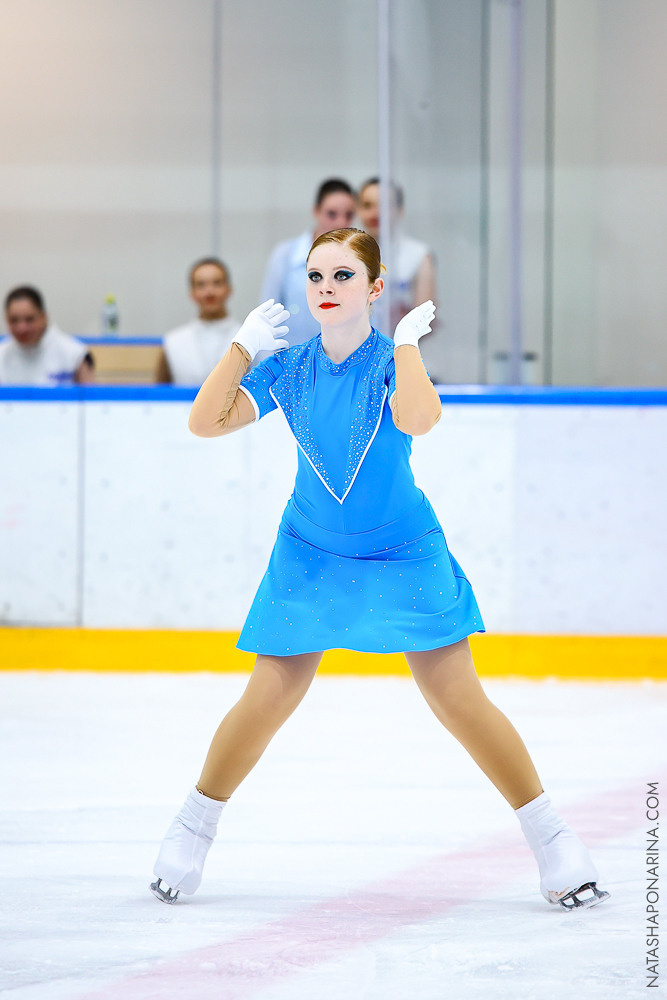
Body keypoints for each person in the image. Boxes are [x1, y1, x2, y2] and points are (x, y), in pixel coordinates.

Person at [150, 228, 608, 912]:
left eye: (341, 276)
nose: (325, 289)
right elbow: (204, 423)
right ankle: (192, 826)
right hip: (309, 551)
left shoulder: (391, 360)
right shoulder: (292, 367)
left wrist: (405, 346)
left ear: (372, 288)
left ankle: (553, 840)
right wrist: (241, 347)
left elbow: (419, 421)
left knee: (456, 697)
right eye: (314, 277)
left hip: (401, 550)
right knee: (268, 694)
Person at [260, 178, 357, 347]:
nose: (341, 223)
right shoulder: (285, 255)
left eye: (348, 215)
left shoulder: (358, 261)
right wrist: (270, 370)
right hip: (292, 365)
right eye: (332, 214)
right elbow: (267, 320)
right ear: (316, 211)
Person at [357, 177, 437, 329]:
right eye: (368, 205)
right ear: (358, 209)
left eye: (384, 206)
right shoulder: (346, 254)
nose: (375, 213)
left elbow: (425, 321)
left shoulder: (419, 256)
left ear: (400, 210)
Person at [155, 258, 241, 385]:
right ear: (192, 293)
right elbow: (160, 396)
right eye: (201, 285)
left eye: (217, 283)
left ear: (229, 289)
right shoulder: (173, 343)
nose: (209, 292)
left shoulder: (249, 339)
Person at [0, 286, 94, 385]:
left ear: (44, 316)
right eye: (14, 320)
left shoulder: (75, 354)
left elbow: (92, 397)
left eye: (29, 319)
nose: (22, 328)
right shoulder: (2, 355)